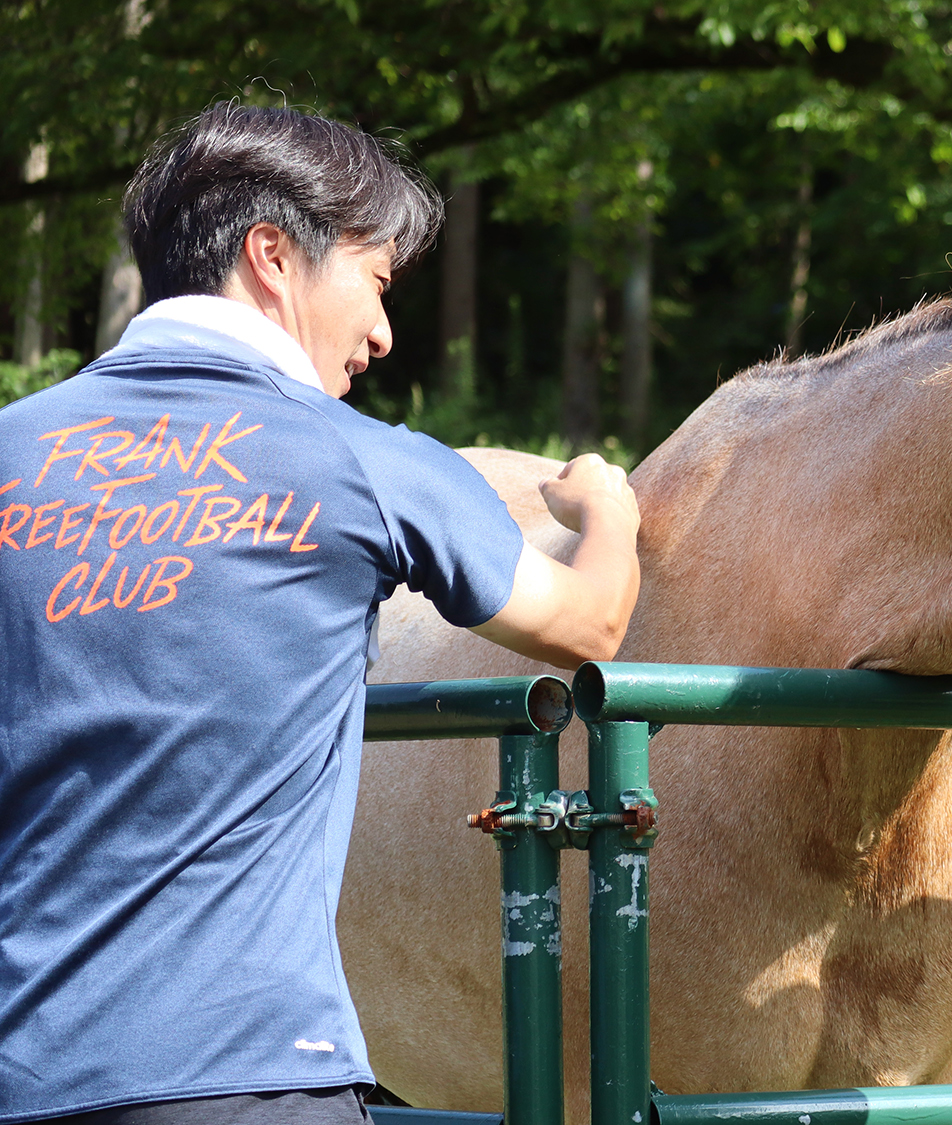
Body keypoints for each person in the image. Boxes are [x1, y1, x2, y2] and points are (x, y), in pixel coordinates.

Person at [0, 104, 642, 1123]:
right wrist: (605, 505)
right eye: (376, 282)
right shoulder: (363, 459)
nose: (383, 333)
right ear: (272, 257)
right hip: (248, 1075)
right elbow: (589, 625)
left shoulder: (12, 448)